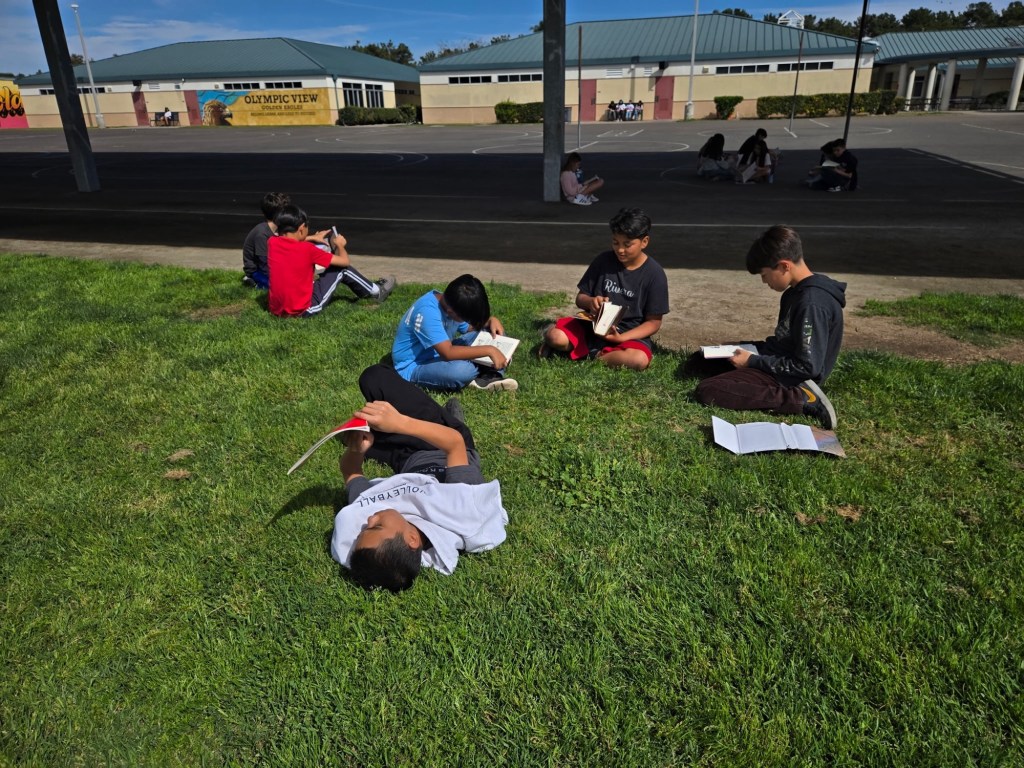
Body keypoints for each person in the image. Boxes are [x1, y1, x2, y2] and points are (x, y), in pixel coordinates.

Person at [330, 363, 509, 593]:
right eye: (377, 527)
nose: (370, 519)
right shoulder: (462, 513)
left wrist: (356, 451)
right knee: (374, 377)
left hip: (404, 460)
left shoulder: (371, 512)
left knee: (360, 430)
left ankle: (393, 430)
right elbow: (454, 444)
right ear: (412, 539)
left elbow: (351, 471)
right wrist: (400, 423)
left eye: (364, 529)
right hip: (442, 445)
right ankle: (449, 417)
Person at [691, 225, 846, 429]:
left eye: (764, 274)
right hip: (778, 360)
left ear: (784, 266)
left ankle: (802, 398)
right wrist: (743, 346)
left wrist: (752, 361)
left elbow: (807, 366)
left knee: (709, 390)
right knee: (699, 361)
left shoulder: (811, 304)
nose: (764, 281)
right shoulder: (792, 294)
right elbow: (783, 342)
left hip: (794, 377)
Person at [540, 208, 669, 371]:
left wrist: (620, 338)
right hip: (592, 326)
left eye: (627, 244)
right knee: (555, 337)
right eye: (615, 242)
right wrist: (591, 302)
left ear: (644, 242)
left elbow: (653, 323)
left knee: (638, 360)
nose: (620, 250)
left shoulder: (655, 274)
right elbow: (580, 298)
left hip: (628, 334)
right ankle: (566, 342)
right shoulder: (603, 260)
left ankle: (594, 356)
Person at [392, 273, 518, 392]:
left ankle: (492, 375)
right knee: (463, 370)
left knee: (492, 331)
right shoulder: (427, 312)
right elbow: (448, 352)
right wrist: (489, 350)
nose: (467, 321)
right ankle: (484, 368)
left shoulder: (452, 302)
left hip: (441, 349)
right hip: (416, 365)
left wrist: (490, 321)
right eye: (465, 318)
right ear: (451, 312)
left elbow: (469, 328)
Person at [267, 204, 395, 317]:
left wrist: (312, 237)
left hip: (276, 309)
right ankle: (377, 291)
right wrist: (340, 245)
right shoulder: (308, 249)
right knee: (342, 270)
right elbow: (344, 262)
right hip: (304, 310)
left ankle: (372, 289)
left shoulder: (272, 242)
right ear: (301, 229)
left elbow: (291, 242)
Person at [241, 191, 289, 289]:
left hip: (271, 263)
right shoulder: (262, 234)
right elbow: (264, 265)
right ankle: (252, 281)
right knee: (279, 286)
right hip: (257, 270)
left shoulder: (279, 229)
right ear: (280, 215)